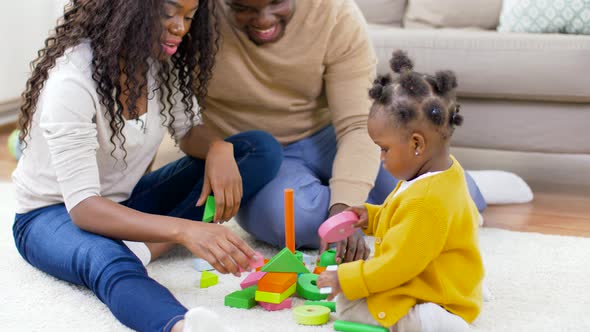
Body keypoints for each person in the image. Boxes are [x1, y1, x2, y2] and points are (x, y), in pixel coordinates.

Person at [11, 1, 282, 331]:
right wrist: (184, 229)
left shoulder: (160, 61)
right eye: (168, 13)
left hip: (123, 201)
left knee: (257, 149)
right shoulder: (72, 80)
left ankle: (143, 243)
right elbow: (83, 208)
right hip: (53, 213)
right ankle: (181, 325)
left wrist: (217, 146)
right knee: (107, 259)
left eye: (188, 16)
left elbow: (188, 131)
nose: (180, 27)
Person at [200, 0, 487, 262]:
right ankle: (395, 201)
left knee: (460, 197)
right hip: (261, 155)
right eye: (244, 7)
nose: (263, 19)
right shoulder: (196, 15)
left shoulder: (334, 12)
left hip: (330, 135)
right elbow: (177, 117)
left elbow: (356, 125)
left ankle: (377, 199)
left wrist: (346, 210)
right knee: (295, 220)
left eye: (277, 2)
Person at [317, 50, 484, 331]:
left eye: (384, 149)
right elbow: (400, 215)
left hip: (436, 296)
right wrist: (370, 216)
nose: (381, 158)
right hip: (443, 276)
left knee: (348, 307)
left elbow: (397, 265)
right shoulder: (441, 172)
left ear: (417, 144)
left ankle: (439, 321)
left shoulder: (426, 202)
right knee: (355, 295)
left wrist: (344, 278)